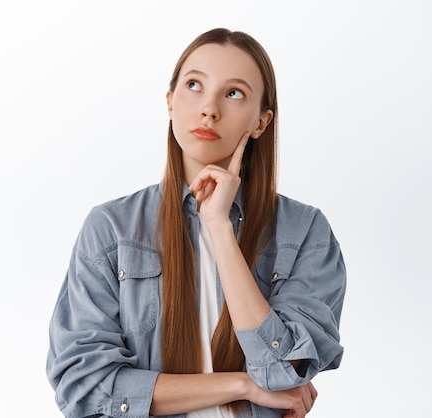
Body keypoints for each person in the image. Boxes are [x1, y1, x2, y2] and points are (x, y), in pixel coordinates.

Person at [46, 28, 346, 418]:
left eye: (233, 93)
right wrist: (239, 384)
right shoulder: (111, 230)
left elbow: (285, 370)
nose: (209, 108)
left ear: (261, 122)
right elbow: (82, 387)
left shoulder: (305, 232)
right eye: (194, 86)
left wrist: (219, 227)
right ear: (170, 102)